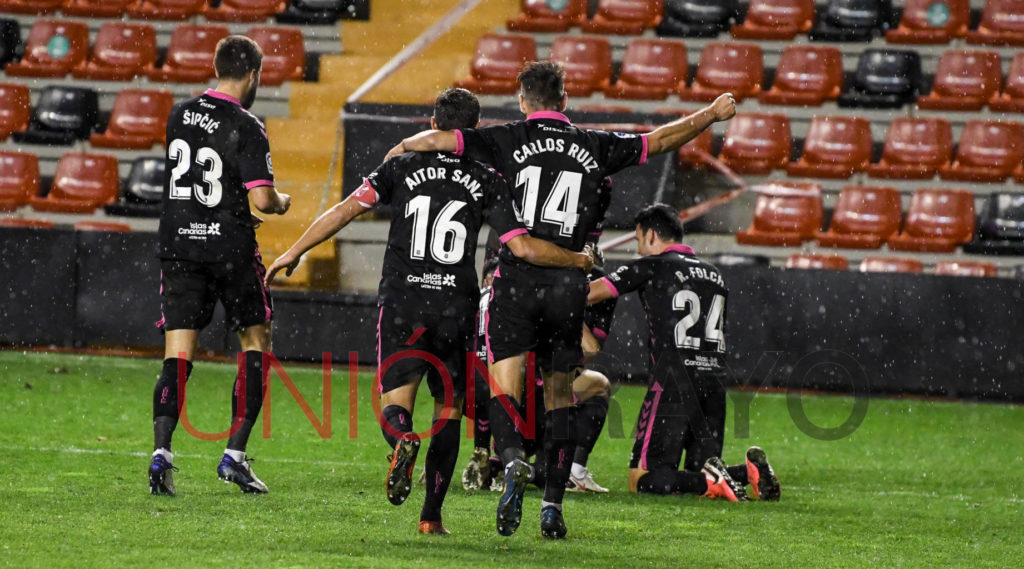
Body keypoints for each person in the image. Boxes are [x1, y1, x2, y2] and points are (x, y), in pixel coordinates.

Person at [386, 61, 736, 538]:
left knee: (504, 390)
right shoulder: (594, 145)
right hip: (568, 286)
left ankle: (509, 462)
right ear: (565, 100)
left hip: (517, 280)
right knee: (559, 395)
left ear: (523, 100)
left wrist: (404, 148)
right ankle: (552, 507)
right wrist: (709, 115)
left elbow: (445, 140)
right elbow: (659, 141)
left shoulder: (507, 137)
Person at [265, 88, 594, 535]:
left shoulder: (401, 166)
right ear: (473, 131)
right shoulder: (488, 177)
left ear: (433, 124)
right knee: (449, 410)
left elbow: (346, 210)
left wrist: (296, 250)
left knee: (395, 403)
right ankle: (431, 517)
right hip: (455, 306)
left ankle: (402, 438)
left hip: (404, 300)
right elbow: (520, 246)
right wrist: (576, 259)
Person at [148, 35, 291, 496]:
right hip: (229, 250)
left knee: (179, 350)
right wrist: (282, 202)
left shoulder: (178, 114)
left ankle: (161, 453)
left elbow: (191, 182)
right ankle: (234, 455)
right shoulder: (247, 125)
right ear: (253, 74)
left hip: (180, 246)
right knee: (256, 340)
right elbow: (263, 199)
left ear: (215, 67)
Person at [586, 204, 781, 502]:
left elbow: (593, 293)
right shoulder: (715, 275)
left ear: (651, 235)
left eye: (639, 240)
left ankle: (713, 484)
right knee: (698, 467)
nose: (639, 248)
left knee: (641, 480)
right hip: (714, 382)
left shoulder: (652, 265)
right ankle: (747, 473)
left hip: (673, 380)